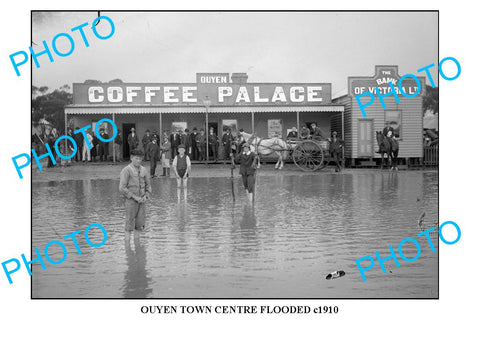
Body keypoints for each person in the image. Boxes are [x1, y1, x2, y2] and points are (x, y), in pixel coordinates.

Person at [119, 149, 152, 231]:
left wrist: (146, 196)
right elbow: (122, 188)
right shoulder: (126, 170)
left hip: (142, 201)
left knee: (140, 225)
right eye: (136, 158)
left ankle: (138, 243)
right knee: (129, 226)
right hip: (131, 201)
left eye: (140, 159)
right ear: (131, 158)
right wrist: (135, 197)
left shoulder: (144, 169)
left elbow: (148, 185)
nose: (139, 161)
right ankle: (127, 243)